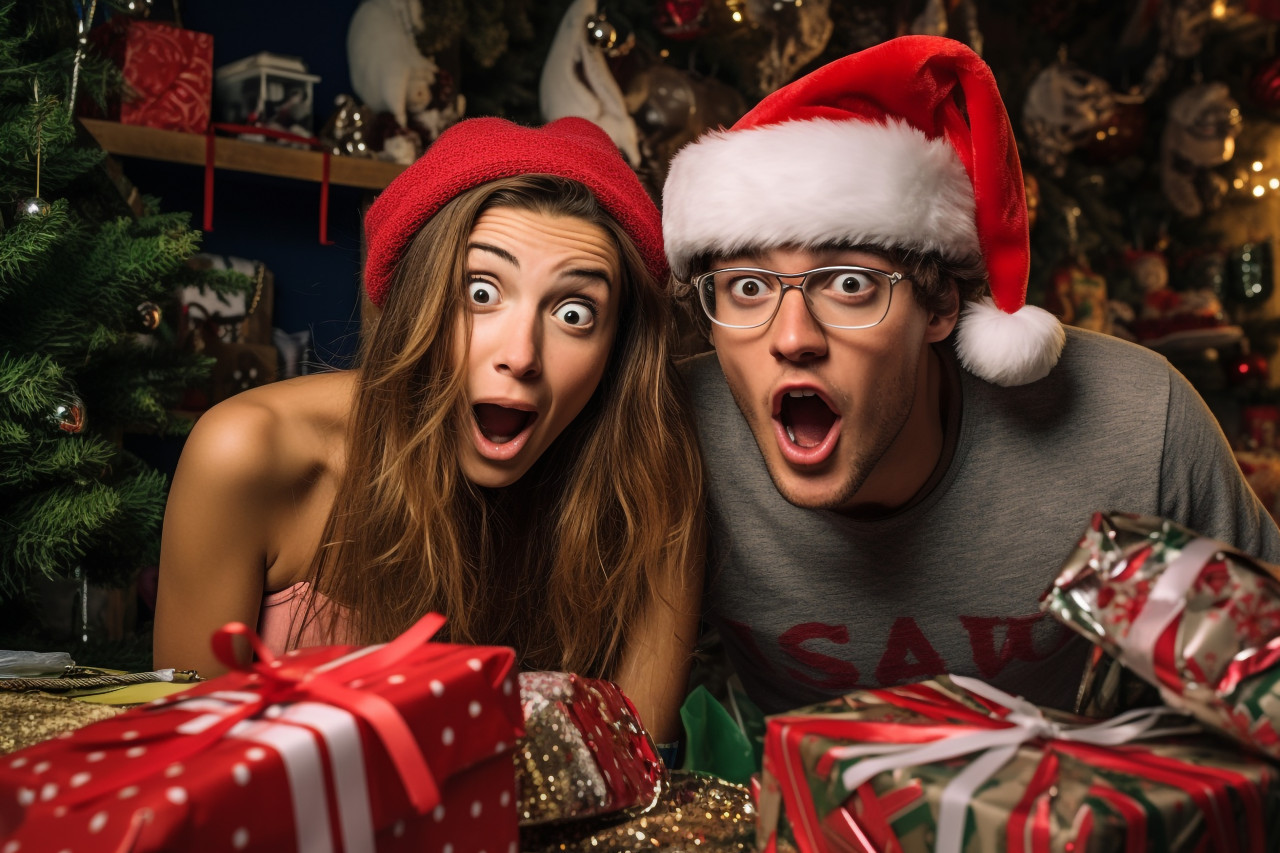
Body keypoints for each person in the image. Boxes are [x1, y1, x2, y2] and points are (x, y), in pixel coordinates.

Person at [660, 35, 1280, 716]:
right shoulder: (675, 437)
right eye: (747, 287)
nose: (793, 337)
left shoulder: (1134, 425)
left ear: (940, 306)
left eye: (849, 284)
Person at [154, 116, 704, 742]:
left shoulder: (649, 492)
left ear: (615, 351)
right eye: (479, 293)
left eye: (574, 312)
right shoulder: (252, 452)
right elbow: (180, 771)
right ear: (416, 299)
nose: (520, 355)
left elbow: (635, 787)